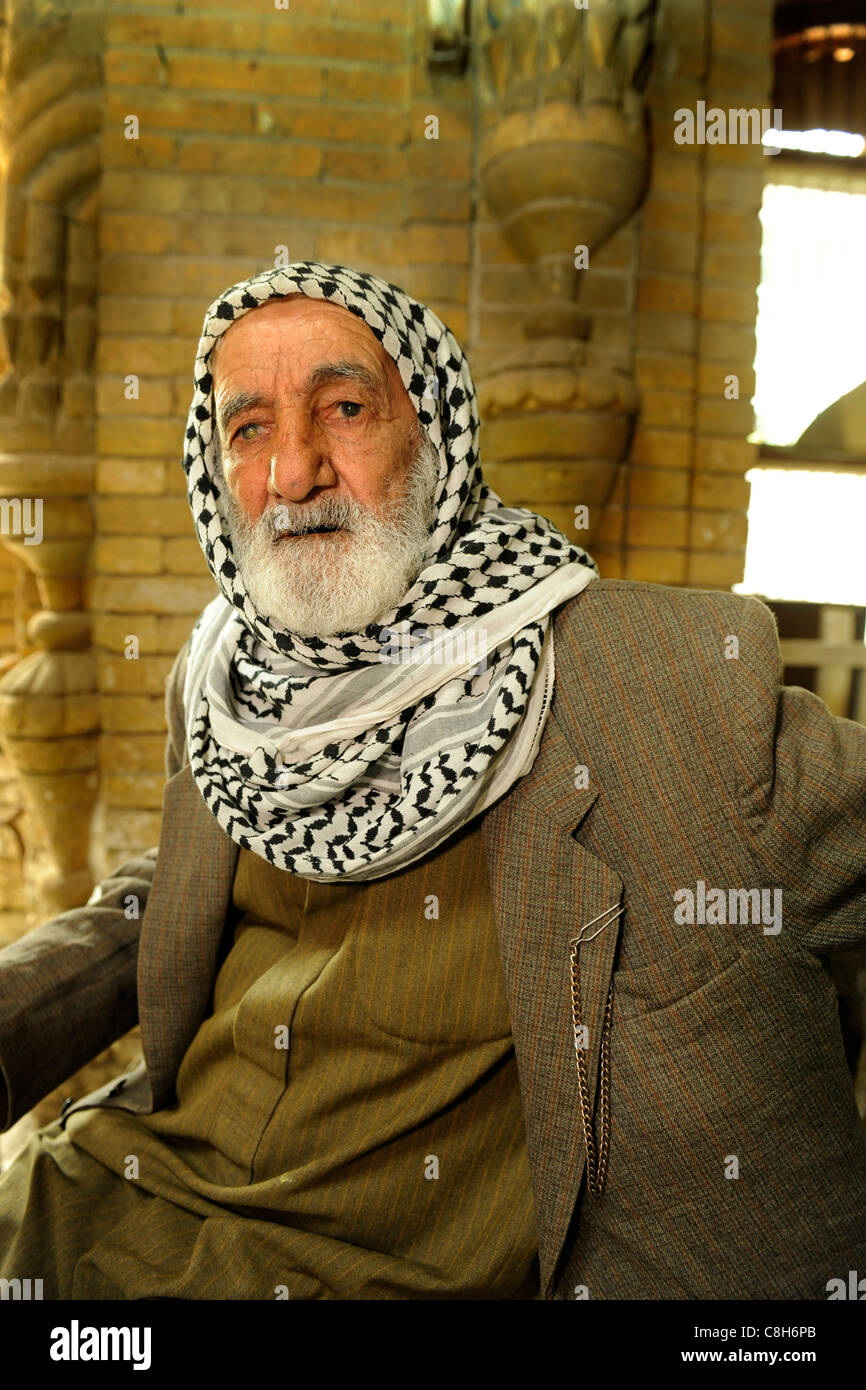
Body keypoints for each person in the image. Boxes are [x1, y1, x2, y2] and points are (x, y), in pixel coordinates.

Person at [0, 262, 864, 1301]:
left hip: (387, 1269)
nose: (294, 472)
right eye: (250, 429)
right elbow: (167, 892)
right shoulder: (226, 677)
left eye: (344, 409)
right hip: (130, 1192)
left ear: (435, 434)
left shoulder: (656, 679)